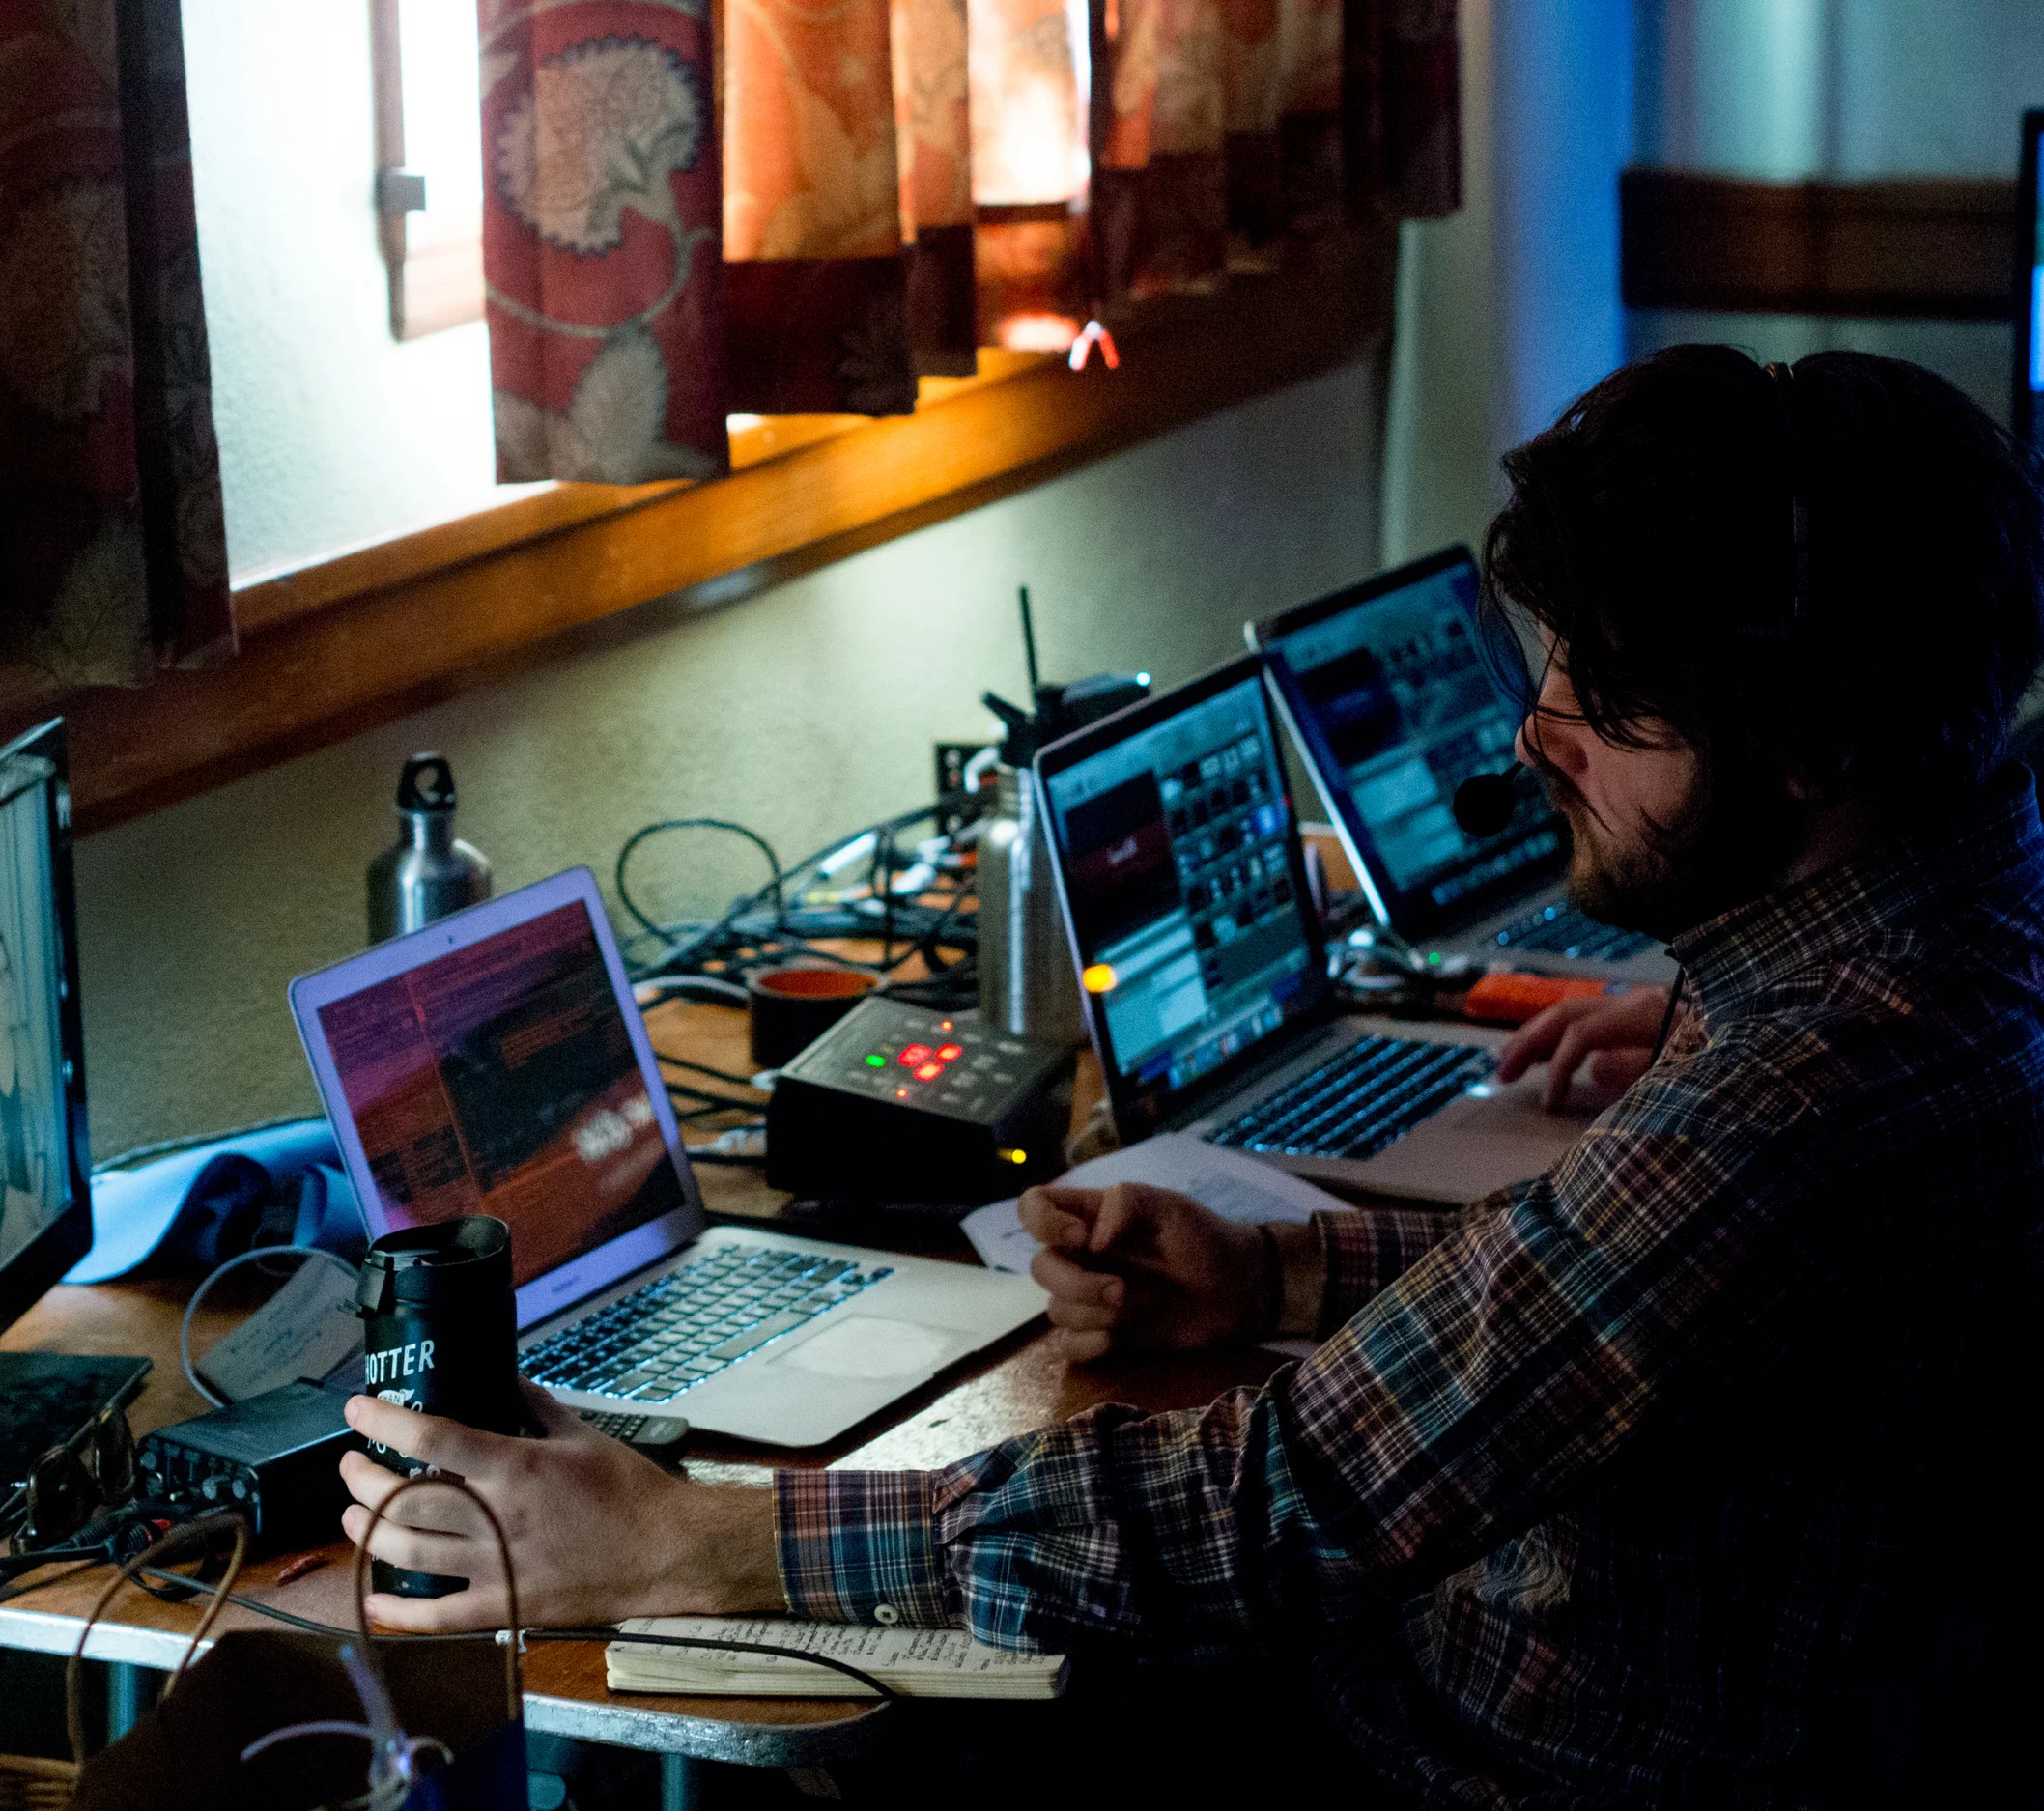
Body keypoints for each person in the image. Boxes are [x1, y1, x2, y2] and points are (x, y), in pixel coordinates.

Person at [334, 349, 2044, 1806]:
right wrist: (1281, 1269)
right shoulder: (1966, 925)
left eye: (1616, 701)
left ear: (1817, 743)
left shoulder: (1799, 1097)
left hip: (1463, 1761)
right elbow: (1608, 1288)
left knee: (880, 1746)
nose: (1539, 732)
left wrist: (680, 1538)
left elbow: (1277, 1499)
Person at [0, 928, 51, 1280]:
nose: (8, 985)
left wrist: (39, 1197)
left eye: (9, 973)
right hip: (6, 1224)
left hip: (40, 1204)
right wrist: (20, 1206)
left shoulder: (26, 1046)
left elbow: (44, 1133)